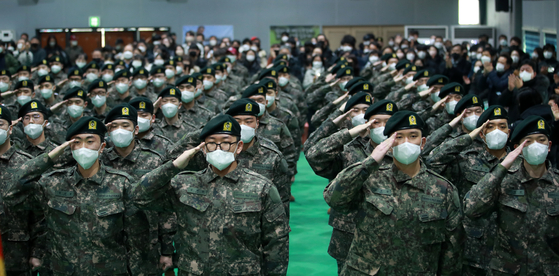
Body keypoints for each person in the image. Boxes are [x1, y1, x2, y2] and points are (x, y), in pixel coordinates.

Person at [132, 114, 290, 275]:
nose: (219, 148)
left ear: (239, 146)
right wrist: (173, 166)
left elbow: (276, 242)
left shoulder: (261, 187)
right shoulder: (184, 184)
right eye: (212, 143)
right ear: (204, 148)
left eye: (226, 143)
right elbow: (139, 196)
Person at [324, 110, 462, 275]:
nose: (406, 142)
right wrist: (369, 162)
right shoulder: (369, 178)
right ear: (388, 143)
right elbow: (333, 198)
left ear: (423, 142)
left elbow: (452, 250)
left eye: (412, 136)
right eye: (399, 137)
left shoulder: (442, 189)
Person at [4, 116, 134, 274]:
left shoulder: (121, 183)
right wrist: (50, 157)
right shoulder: (53, 183)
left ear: (102, 147)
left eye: (90, 141)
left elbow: (134, 237)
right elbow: (11, 194)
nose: (83, 147)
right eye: (76, 142)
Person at [465, 115, 559, 275]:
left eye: (541, 140)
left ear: (549, 146)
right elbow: (471, 208)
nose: (536, 145)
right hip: (507, 271)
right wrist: (502, 167)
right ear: (518, 147)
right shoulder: (504, 180)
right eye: (528, 141)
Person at [100, 103, 175, 275]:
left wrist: (167, 250)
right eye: (114, 126)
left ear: (136, 130)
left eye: (125, 125)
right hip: (108, 248)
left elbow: (166, 210)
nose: (120, 130)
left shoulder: (154, 161)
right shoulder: (99, 161)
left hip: (146, 248)